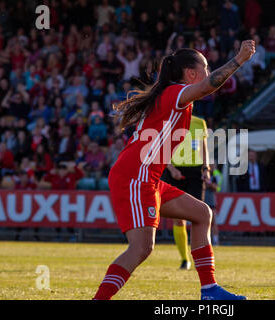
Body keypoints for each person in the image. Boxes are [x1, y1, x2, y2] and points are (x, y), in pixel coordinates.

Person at [93, 40, 256, 300]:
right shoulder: (176, 92)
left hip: (148, 176)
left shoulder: (171, 95)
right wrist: (238, 61)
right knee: (141, 248)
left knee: (202, 213)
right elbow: (208, 85)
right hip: (136, 176)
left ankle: (210, 290)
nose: (208, 70)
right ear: (191, 73)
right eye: (205, 67)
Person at [160, 115, 209, 270]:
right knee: (178, 218)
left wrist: (206, 169)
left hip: (195, 172)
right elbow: (163, 148)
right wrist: (171, 168)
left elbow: (204, 147)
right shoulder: (170, 121)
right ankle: (185, 259)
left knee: (197, 216)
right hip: (175, 170)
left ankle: (198, 258)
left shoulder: (199, 122)